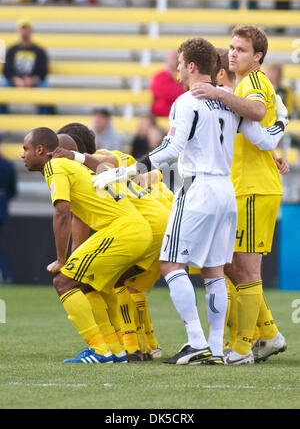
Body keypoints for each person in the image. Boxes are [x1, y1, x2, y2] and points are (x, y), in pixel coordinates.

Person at [92, 37, 287, 365]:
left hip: (197, 188)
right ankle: (212, 347)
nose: (177, 69)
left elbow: (170, 148)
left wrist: (126, 172)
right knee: (213, 271)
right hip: (227, 192)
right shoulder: (229, 99)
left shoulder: (186, 101)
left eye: (180, 63)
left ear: (192, 66)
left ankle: (196, 341)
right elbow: (267, 141)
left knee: (171, 264)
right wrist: (281, 118)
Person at [190, 25, 288, 364]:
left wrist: (218, 93)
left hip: (254, 188)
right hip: (243, 186)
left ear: (257, 56)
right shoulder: (245, 84)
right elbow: (265, 128)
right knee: (232, 264)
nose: (233, 54)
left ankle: (244, 347)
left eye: (241, 49)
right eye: (231, 48)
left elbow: (259, 112)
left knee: (245, 269)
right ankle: (270, 334)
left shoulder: (256, 83)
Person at [22, 127, 153, 364]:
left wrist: (62, 261)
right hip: (134, 229)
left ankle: (101, 351)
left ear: (40, 150)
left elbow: (62, 212)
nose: (22, 155)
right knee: (91, 285)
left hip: (125, 230)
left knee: (63, 281)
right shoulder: (74, 166)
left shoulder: (55, 167)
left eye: (25, 149)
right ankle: (117, 348)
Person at [0, 16, 54, 115]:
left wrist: (32, 80)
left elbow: (43, 72)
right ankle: (3, 119)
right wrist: (16, 80)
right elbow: (6, 71)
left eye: (26, 28)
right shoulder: (11, 50)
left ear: (32, 30)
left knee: (45, 89)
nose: (24, 31)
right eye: (22, 28)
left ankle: (44, 122)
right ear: (18, 30)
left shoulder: (40, 51)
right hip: (15, 81)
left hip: (34, 81)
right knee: (2, 88)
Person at [0, 133, 17, 283]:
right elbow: (12, 191)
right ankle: (5, 274)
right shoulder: (7, 165)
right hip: (2, 207)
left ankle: (5, 274)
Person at [149, 50, 185, 117]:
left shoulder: (184, 75)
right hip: (164, 112)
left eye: (178, 58)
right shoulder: (160, 76)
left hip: (179, 112)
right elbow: (167, 93)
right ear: (166, 59)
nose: (176, 61)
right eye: (174, 58)